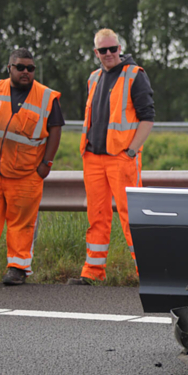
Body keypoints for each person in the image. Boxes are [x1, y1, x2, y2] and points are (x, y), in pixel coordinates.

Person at [0, 48, 64, 287]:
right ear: (9, 68)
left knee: (22, 224)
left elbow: (56, 130)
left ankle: (17, 269)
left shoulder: (46, 96)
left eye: (30, 68)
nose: (26, 72)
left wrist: (46, 164)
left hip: (26, 174)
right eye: (20, 67)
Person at [68, 28, 154, 285]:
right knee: (96, 216)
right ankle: (92, 273)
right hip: (93, 158)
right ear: (96, 52)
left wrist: (131, 152)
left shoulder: (134, 74)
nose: (109, 54)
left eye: (113, 49)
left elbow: (148, 118)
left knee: (131, 217)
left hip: (121, 158)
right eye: (103, 50)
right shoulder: (93, 78)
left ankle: (146, 274)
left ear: (120, 48)